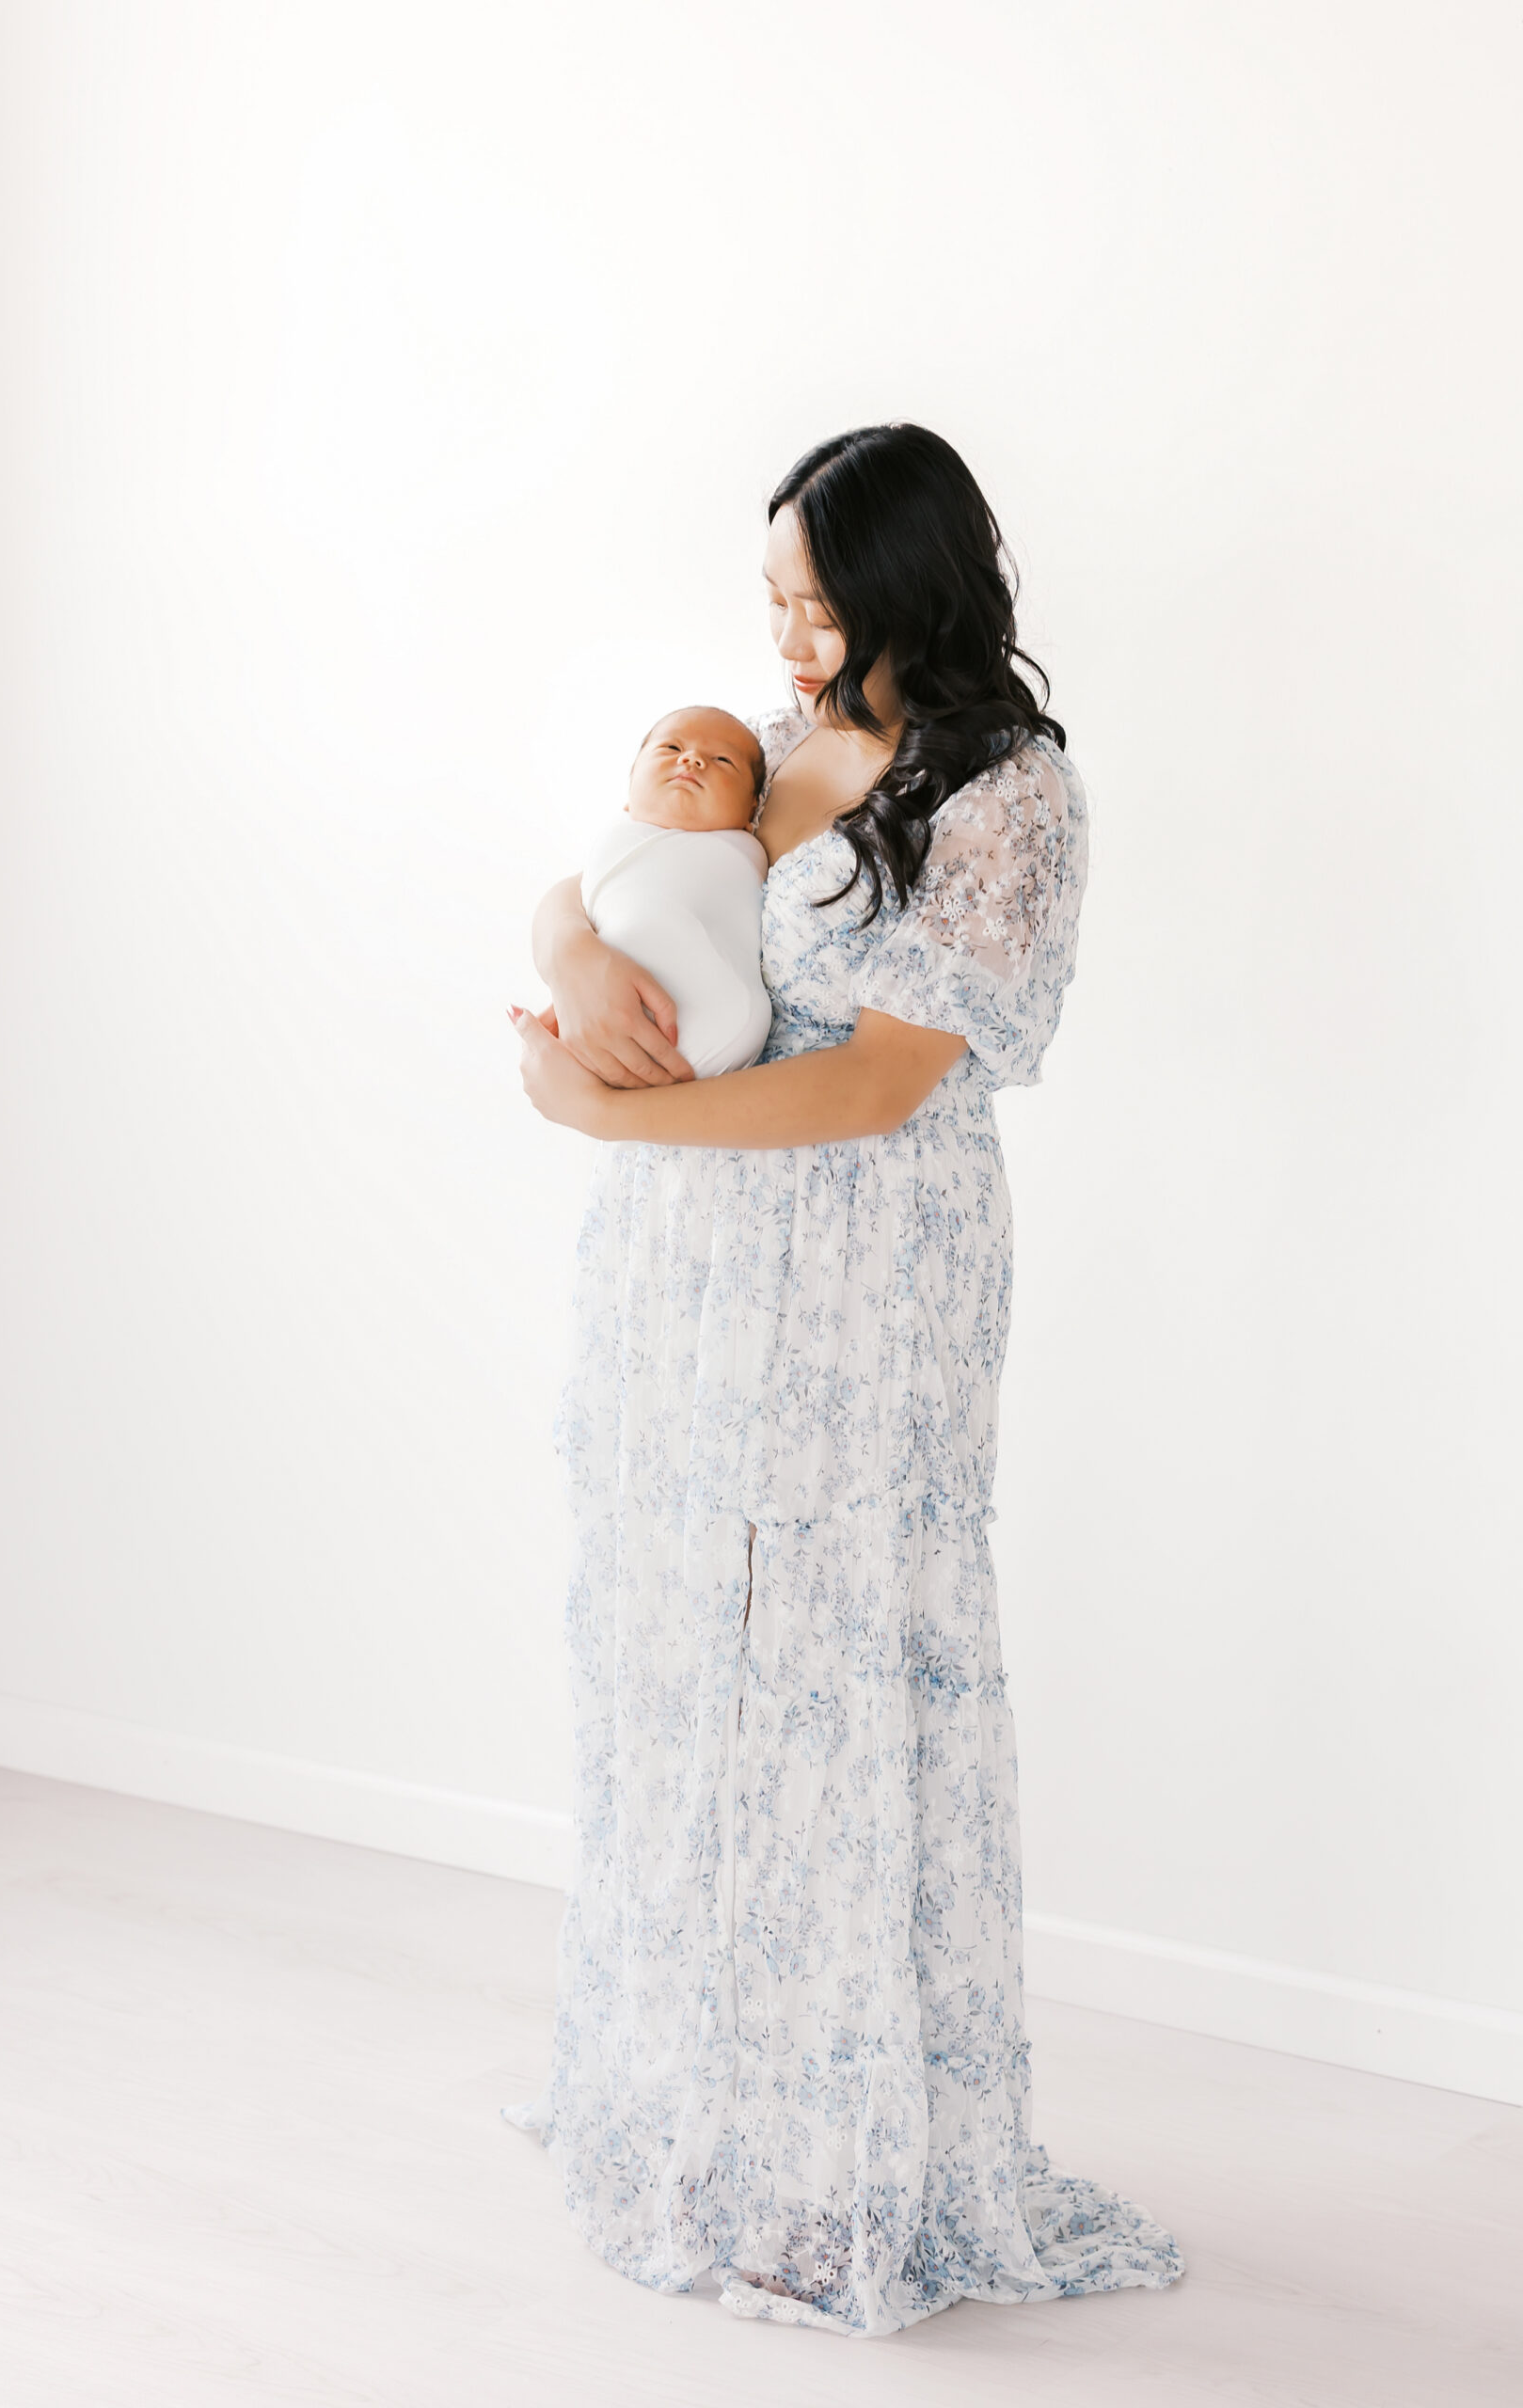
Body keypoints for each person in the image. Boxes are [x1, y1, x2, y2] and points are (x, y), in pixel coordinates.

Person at [507, 423, 1184, 2337]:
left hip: (869, 1267)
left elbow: (887, 1078)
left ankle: (852, 2165)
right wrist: (570, 970)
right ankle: (705, 2119)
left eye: (816, 604)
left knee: (840, 1669)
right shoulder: (750, 748)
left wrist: (613, 1111)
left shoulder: (1006, 791)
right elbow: (595, 881)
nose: (788, 639)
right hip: (690, 1267)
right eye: (771, 600)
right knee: (693, 1664)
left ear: (910, 587)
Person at [571, 706, 771, 1081]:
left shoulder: (748, 851)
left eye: (723, 760)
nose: (692, 759)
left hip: (726, 1027)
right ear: (630, 788)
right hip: (608, 1018)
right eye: (671, 748)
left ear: (752, 810)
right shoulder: (617, 837)